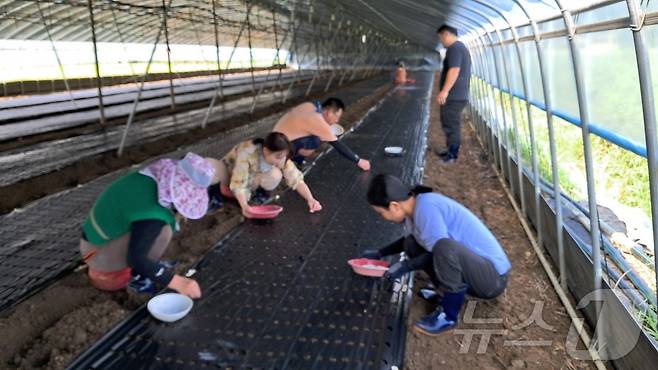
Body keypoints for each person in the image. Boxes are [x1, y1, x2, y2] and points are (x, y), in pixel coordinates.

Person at [361, 174, 510, 335]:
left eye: (381, 213)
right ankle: (444, 294)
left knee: (444, 248)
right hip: (474, 269)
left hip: (492, 279)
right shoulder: (414, 209)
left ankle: (448, 316)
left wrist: (403, 267)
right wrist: (380, 253)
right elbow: (412, 242)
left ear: (395, 206)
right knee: (411, 244)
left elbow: (441, 252)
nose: (382, 218)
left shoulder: (426, 209)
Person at [79, 152, 218, 299]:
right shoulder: (151, 214)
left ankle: (149, 268)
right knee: (163, 232)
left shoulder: (150, 178)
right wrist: (179, 283)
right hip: (94, 254)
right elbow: (137, 259)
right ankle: (138, 279)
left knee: (155, 231)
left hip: (93, 239)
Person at [206, 132, 322, 217]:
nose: (279, 161)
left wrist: (310, 199)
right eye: (278, 157)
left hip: (250, 180)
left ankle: (258, 195)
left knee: (276, 174)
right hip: (229, 173)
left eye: (282, 157)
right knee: (209, 165)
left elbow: (296, 179)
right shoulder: (248, 152)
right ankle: (215, 197)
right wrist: (245, 207)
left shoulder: (280, 157)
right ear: (266, 150)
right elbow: (239, 182)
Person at [272, 97, 371, 171]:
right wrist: (359, 161)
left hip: (274, 137)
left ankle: (293, 160)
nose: (337, 121)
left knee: (314, 135)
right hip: (278, 147)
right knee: (315, 140)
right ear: (329, 113)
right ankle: (292, 162)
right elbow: (337, 145)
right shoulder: (317, 121)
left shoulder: (312, 105)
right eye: (337, 117)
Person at [436, 24, 472, 163]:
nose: (441, 41)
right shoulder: (460, 47)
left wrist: (444, 91)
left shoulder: (454, 49)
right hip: (457, 95)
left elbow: (454, 70)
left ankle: (452, 155)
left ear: (446, 34)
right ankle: (450, 150)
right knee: (450, 123)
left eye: (441, 38)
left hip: (454, 96)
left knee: (452, 124)